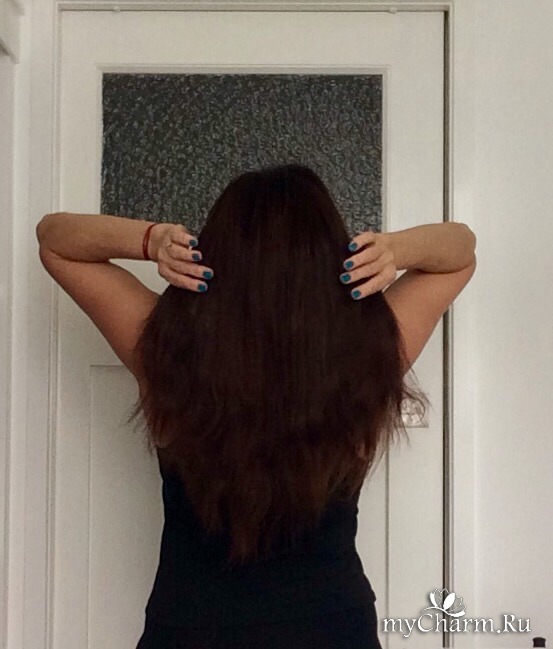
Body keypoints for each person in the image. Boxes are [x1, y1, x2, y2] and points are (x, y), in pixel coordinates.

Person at [36, 163, 477, 648]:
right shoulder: (372, 344)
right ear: (328, 256)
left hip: (191, 629)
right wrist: (396, 250)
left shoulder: (163, 346)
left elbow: (54, 240)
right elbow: (461, 251)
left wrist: (152, 240)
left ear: (218, 253)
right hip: (331, 627)